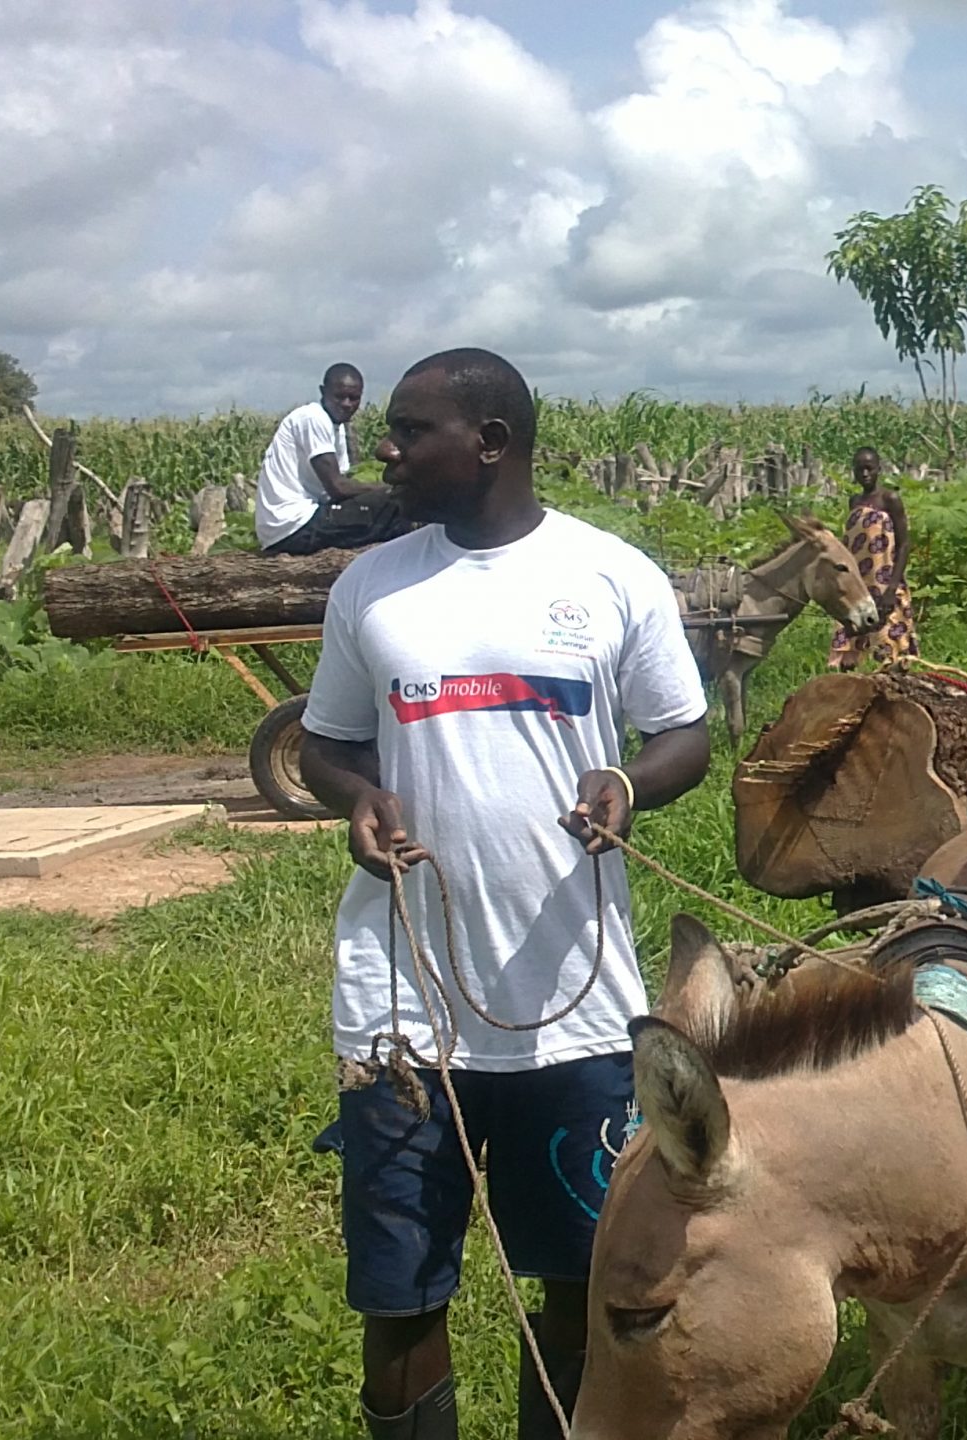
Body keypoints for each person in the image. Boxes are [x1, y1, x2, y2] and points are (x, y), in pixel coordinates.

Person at [298, 349, 712, 1440]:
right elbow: (324, 744)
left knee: (582, 1291)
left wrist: (628, 780)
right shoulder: (371, 589)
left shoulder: (609, 574)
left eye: (406, 430)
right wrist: (353, 798)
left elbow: (687, 734)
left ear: (490, 441)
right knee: (398, 1301)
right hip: (401, 1010)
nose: (381, 450)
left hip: (574, 1013)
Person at [258, 363, 413, 556]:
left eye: (354, 398)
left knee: (384, 512)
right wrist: (387, 489)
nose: (347, 404)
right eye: (340, 397)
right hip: (293, 526)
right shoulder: (313, 418)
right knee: (394, 504)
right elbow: (338, 488)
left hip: (296, 524)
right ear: (323, 392)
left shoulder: (335, 426)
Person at [826, 446, 918, 669]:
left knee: (888, 651)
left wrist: (892, 587)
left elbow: (904, 544)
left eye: (869, 468)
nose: (865, 474)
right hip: (859, 585)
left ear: (879, 469)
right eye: (859, 470)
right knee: (850, 653)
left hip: (885, 583)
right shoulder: (854, 501)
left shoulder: (890, 499)